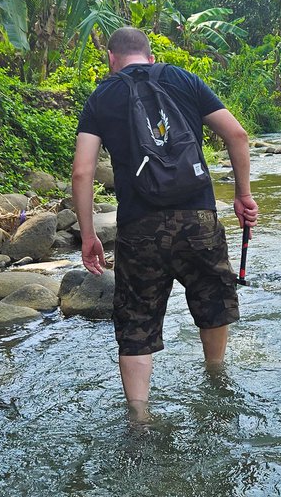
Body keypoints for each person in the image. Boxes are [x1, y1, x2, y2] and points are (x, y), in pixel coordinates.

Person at [71, 26, 259, 417]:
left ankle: (139, 416)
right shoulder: (182, 79)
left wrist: (89, 234)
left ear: (111, 59)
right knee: (212, 302)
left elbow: (82, 172)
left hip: (140, 227)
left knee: (137, 321)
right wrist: (243, 195)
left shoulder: (102, 96)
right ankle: (215, 382)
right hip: (198, 219)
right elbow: (237, 135)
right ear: (150, 55)